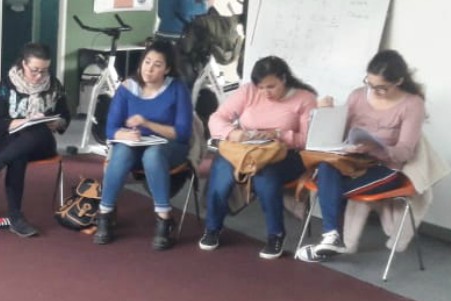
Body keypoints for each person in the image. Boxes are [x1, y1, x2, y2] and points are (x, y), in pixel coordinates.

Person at [295, 50, 426, 262]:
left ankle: (332, 239)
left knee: (329, 187)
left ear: (399, 81)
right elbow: (338, 134)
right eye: (369, 84)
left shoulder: (412, 104)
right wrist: (323, 113)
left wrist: (374, 148)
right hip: (352, 161)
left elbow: (405, 152)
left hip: (386, 167)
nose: (373, 91)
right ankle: (332, 236)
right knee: (326, 168)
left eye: (381, 87)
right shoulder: (357, 96)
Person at [201, 56, 317, 258]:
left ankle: (275, 234)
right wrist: (233, 133)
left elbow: (307, 140)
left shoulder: (305, 98)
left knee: (265, 177)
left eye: (271, 87)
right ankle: (212, 227)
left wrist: (279, 135)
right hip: (245, 150)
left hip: (284, 154)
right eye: (261, 87)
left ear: (284, 78)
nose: (265, 93)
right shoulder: (248, 91)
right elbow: (217, 118)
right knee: (221, 173)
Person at [95, 40, 193, 250]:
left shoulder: (177, 89)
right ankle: (105, 213)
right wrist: (124, 133)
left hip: (170, 146)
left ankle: (164, 218)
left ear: (167, 69)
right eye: (147, 62)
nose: (149, 69)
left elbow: (183, 133)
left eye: (157, 65)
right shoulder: (127, 88)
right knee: (121, 151)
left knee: (153, 154)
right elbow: (110, 129)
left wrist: (147, 123)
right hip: (135, 144)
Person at [0, 42, 71, 237]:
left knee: (36, 131)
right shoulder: (5, 87)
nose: (39, 76)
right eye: (34, 70)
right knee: (18, 154)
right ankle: (15, 217)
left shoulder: (54, 86)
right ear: (23, 64)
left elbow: (65, 116)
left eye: (44, 71)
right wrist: (24, 121)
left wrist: (57, 122)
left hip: (42, 143)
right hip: (6, 139)